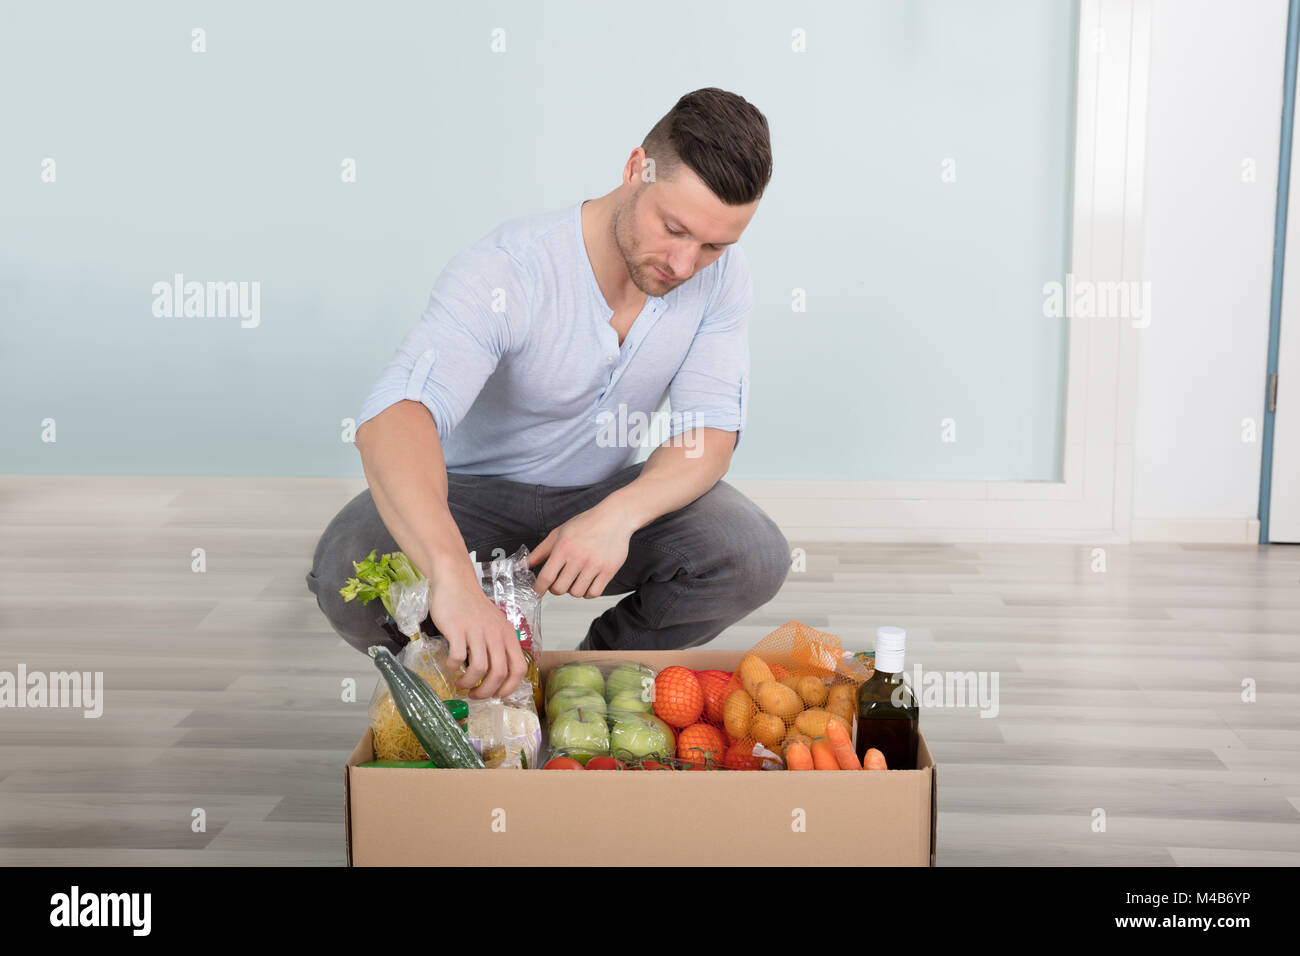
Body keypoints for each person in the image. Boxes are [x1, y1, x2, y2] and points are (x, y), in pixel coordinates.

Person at [306, 87, 789, 700]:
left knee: (751, 551)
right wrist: (450, 575)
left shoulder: (720, 279)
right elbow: (394, 419)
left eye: (716, 245)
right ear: (634, 169)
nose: (686, 263)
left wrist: (619, 515)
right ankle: (461, 678)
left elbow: (708, 436)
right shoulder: (511, 269)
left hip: (599, 494)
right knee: (349, 568)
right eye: (674, 229)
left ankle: (585, 680)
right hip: (467, 498)